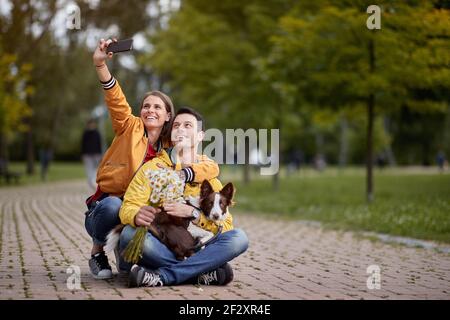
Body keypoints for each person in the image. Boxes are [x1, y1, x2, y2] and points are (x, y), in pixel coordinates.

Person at [85, 38, 219, 280]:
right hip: (108, 207)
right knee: (113, 205)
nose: (150, 110)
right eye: (146, 106)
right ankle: (97, 251)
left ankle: (170, 264)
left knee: (127, 270)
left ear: (168, 115)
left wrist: (189, 173)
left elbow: (208, 164)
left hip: (139, 213)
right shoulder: (129, 126)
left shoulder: (170, 147)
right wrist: (100, 64)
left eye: (158, 107)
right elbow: (115, 99)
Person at [118, 107, 249, 287]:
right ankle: (201, 273)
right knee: (128, 235)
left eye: (188, 125)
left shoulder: (209, 177)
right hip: (163, 245)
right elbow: (128, 206)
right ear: (171, 134)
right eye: (176, 125)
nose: (180, 129)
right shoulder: (153, 168)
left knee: (239, 238)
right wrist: (136, 215)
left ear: (200, 136)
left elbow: (225, 226)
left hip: (197, 247)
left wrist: (194, 214)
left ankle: (162, 277)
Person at [81, 119, 103, 191]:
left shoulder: (97, 133)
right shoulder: (85, 133)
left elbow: (99, 144)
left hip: (96, 154)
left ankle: (93, 182)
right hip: (87, 155)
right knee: (89, 169)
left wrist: (100, 155)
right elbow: (83, 144)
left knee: (96, 169)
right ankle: (91, 182)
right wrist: (83, 154)